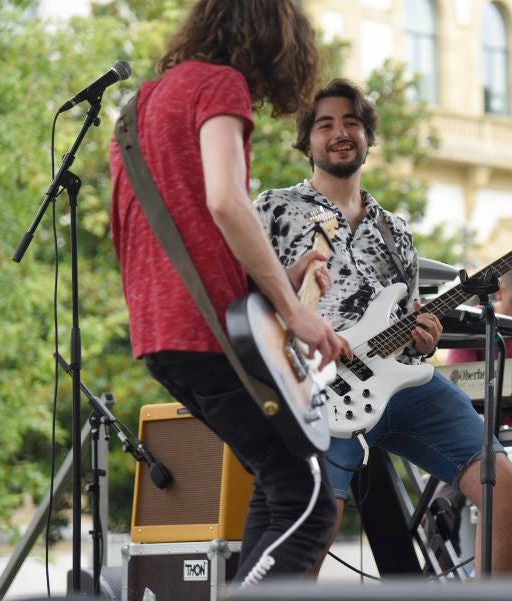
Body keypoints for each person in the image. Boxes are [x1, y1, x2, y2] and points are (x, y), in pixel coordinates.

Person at [109, 0, 344, 581]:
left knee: (278, 481)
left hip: (162, 334)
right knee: (311, 501)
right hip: (208, 335)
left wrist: (274, 284)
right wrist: (295, 312)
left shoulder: (138, 106)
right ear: (269, 38)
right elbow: (225, 200)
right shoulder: (220, 84)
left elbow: (178, 233)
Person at [254, 79, 512, 575]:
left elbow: (406, 317)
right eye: (326, 124)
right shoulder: (275, 209)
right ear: (306, 141)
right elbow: (243, 299)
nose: (341, 133)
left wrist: (426, 339)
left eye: (352, 123)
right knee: (316, 523)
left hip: (397, 386)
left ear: (367, 137)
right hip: (316, 388)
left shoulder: (394, 228)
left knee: (504, 485)